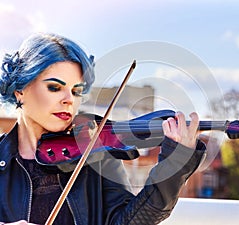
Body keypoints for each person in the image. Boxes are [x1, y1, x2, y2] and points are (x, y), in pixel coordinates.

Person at [0, 33, 206, 225]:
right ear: (20, 90)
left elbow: (133, 221)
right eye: (54, 87)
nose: (69, 100)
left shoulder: (96, 153)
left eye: (76, 91)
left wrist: (175, 163)